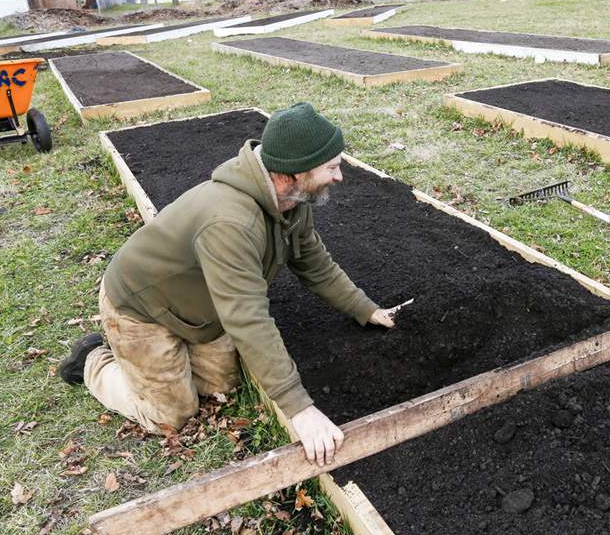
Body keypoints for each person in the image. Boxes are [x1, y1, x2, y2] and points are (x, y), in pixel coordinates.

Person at [59, 103, 399, 464]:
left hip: (198, 307)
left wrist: (365, 309)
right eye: (331, 168)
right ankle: (95, 359)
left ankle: (159, 362)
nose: (339, 176)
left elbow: (315, 263)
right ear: (294, 173)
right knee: (172, 415)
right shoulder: (231, 223)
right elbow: (247, 318)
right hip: (143, 309)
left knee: (221, 388)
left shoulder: (292, 203)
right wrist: (300, 410)